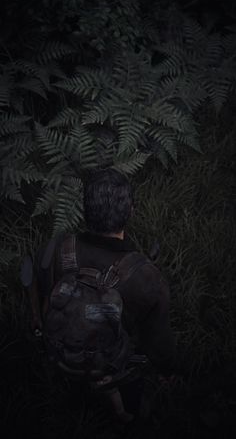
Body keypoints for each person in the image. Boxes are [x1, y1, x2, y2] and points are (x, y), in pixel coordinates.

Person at [28, 168, 176, 419]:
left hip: (60, 351)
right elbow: (158, 342)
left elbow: (39, 287)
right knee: (143, 412)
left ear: (84, 211)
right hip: (111, 362)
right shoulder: (147, 279)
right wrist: (169, 368)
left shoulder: (55, 248)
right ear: (131, 211)